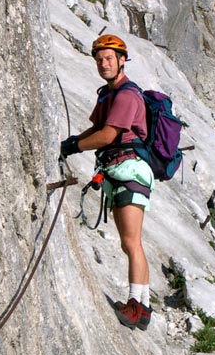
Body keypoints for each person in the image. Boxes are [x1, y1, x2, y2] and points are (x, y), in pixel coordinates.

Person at [60, 34, 155, 331]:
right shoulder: (108, 94)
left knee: (131, 242)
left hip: (131, 170)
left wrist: (74, 147)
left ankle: (137, 306)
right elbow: (97, 127)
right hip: (119, 171)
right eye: (100, 59)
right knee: (130, 244)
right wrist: (76, 140)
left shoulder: (127, 95)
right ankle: (143, 305)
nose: (104, 64)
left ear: (122, 60)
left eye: (109, 58)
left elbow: (107, 135)